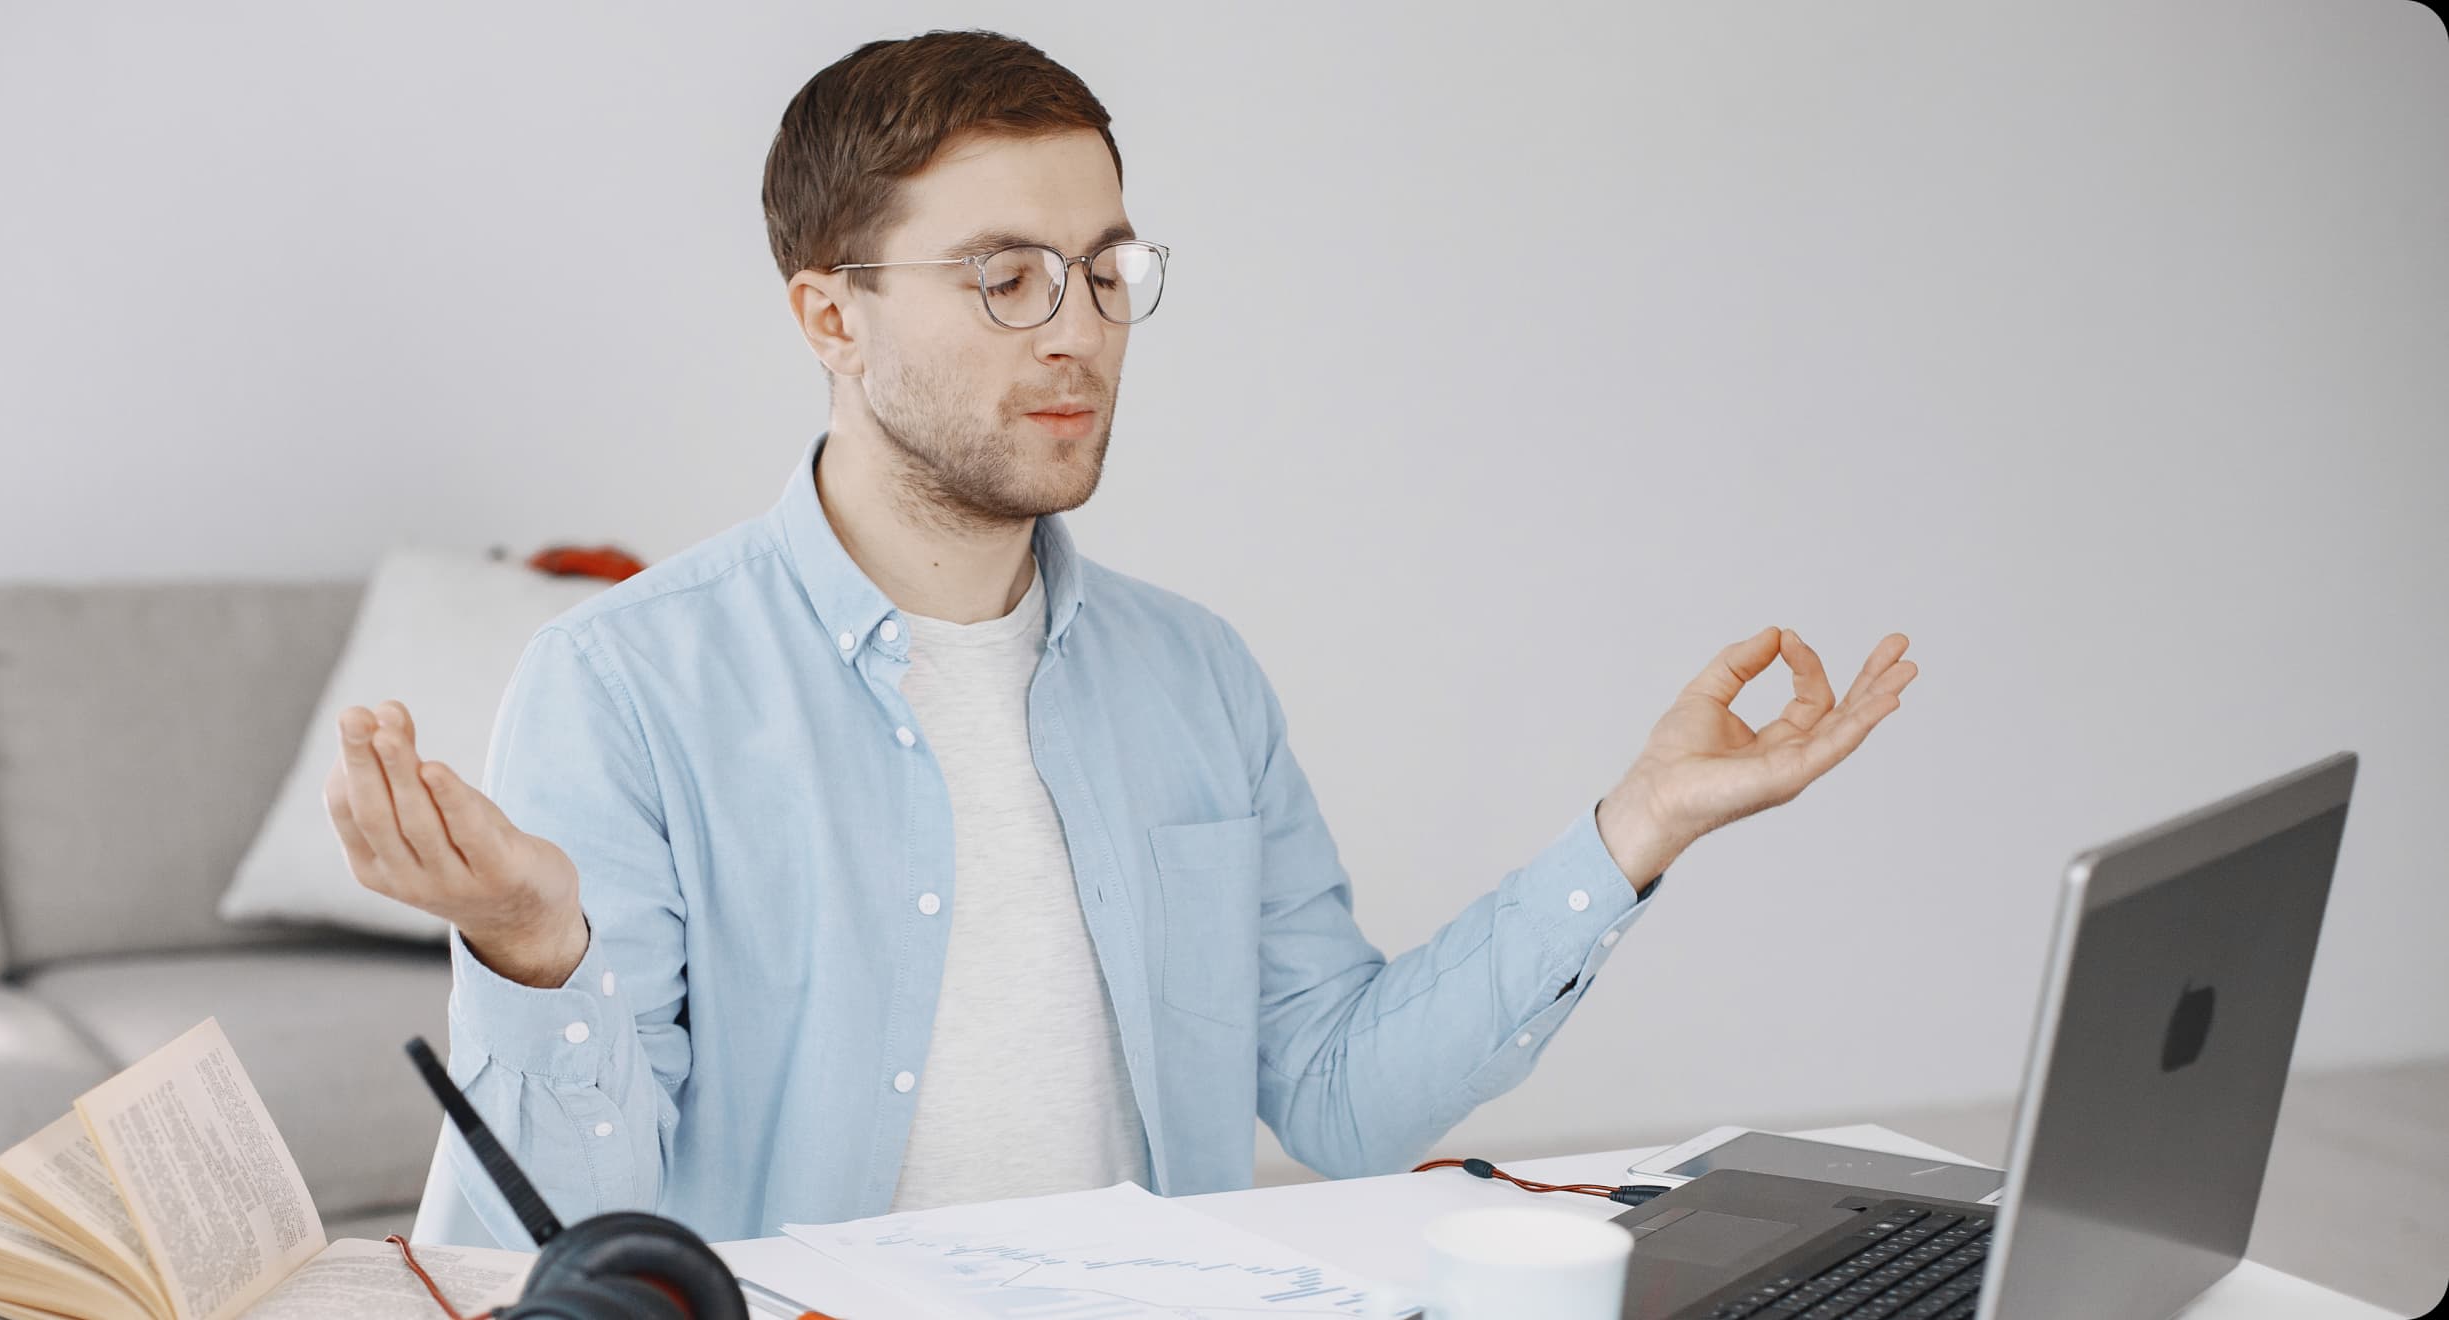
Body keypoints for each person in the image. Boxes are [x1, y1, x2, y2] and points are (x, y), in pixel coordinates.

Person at [328, 29, 1918, 1249]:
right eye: (1004, 278)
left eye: (1101, 271)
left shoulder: (1192, 675)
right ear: (831, 315)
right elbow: (575, 1254)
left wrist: (1631, 831)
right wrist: (538, 961)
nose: (1078, 327)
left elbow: (1342, 1098)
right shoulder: (624, 688)